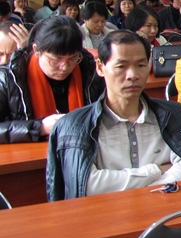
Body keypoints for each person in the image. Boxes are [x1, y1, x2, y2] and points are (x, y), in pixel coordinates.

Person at [45, 31, 181, 200]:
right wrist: (156, 171)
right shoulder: (74, 127)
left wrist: (136, 194)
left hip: (169, 212)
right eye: (121, 67)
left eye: (141, 65)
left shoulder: (176, 116)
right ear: (100, 67)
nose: (133, 75)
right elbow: (90, 186)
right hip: (105, 215)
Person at [0, 16, 104, 144]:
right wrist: (39, 128)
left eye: (73, 58)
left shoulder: (91, 73)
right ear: (36, 51)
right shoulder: (9, 78)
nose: (64, 67)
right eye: (55, 60)